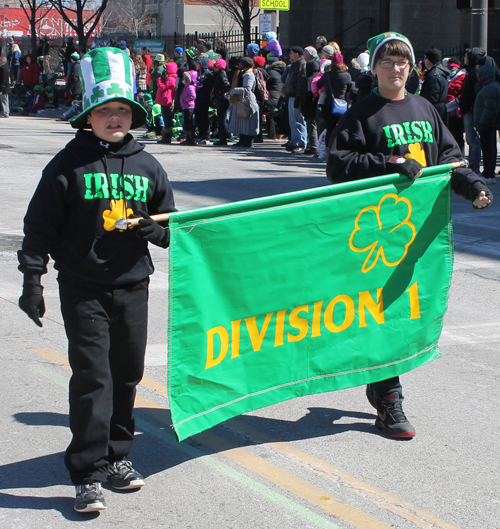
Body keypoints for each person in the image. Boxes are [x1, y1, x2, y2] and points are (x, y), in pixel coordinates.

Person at [17, 46, 176, 513]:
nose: (114, 118)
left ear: (134, 115)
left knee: (127, 374)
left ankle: (117, 457)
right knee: (93, 377)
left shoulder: (148, 165)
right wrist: (32, 280)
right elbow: (39, 227)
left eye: (122, 110)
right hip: (83, 285)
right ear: (87, 115)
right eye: (104, 110)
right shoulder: (67, 165)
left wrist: (156, 230)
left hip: (133, 285)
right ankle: (86, 472)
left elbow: (175, 230)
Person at [327, 32, 493, 439]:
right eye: (387, 61)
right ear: (375, 67)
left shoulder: (426, 109)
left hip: (422, 237)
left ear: (412, 67)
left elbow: (449, 159)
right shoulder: (362, 113)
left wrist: (472, 185)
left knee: (406, 315)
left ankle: (382, 383)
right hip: (378, 237)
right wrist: (390, 161)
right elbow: (338, 164)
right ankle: (389, 398)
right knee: (384, 313)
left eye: (403, 62)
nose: (396, 68)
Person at [316, 52, 351, 148]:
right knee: (341, 128)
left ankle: (328, 151)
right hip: (342, 104)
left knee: (330, 129)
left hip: (329, 105)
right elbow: (349, 89)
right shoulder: (347, 75)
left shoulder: (327, 75)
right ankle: (340, 148)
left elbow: (318, 85)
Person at [474, 63, 500, 184]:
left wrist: (483, 122)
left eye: (480, 75)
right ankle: (489, 172)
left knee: (488, 149)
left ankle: (488, 173)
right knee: (490, 148)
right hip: (488, 124)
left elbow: (490, 108)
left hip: (487, 124)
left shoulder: (490, 88)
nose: (479, 77)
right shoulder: (491, 86)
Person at [460, 48, 485, 173]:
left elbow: (475, 92)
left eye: (467, 56)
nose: (465, 58)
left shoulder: (475, 72)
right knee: (471, 138)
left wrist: (466, 102)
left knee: (472, 138)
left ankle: (474, 165)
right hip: (469, 108)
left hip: (471, 109)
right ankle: (473, 162)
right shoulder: (471, 71)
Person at [228, 56, 259, 148]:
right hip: (241, 100)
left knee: (247, 121)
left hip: (247, 101)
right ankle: (242, 140)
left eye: (240, 63)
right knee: (242, 121)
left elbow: (247, 89)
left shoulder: (248, 75)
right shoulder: (244, 73)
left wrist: (234, 91)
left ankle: (247, 141)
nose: (238, 65)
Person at [283, 46, 308, 153]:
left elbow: (301, 82)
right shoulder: (293, 65)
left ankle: (302, 143)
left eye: (292, 53)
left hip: (296, 96)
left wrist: (298, 96)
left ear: (297, 54)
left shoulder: (301, 64)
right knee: (292, 121)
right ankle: (295, 142)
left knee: (299, 121)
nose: (290, 55)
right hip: (290, 95)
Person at [420, 48, 449, 120]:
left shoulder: (434, 75)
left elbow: (432, 98)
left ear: (430, 59)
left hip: (434, 112)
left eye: (425, 58)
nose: (424, 60)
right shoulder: (439, 72)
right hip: (439, 110)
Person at [156, 61, 178, 144]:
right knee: (166, 118)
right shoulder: (170, 78)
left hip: (166, 100)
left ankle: (167, 137)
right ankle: (166, 136)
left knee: (167, 119)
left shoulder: (170, 79)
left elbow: (162, 87)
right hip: (165, 100)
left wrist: (158, 79)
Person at [195, 56, 214, 145]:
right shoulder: (198, 73)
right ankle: (201, 135)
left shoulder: (208, 74)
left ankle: (206, 137)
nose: (196, 65)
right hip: (198, 99)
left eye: (198, 63)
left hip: (204, 99)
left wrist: (199, 86)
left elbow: (208, 87)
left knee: (204, 117)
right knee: (198, 117)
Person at [211, 59, 231, 145]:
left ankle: (224, 138)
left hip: (222, 99)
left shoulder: (222, 73)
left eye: (215, 65)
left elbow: (226, 85)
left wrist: (220, 92)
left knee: (222, 119)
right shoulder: (217, 74)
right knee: (220, 119)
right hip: (220, 98)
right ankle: (223, 138)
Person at [179, 70, 198, 145]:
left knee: (189, 123)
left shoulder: (190, 87)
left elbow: (193, 96)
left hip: (189, 107)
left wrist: (184, 100)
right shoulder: (186, 86)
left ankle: (191, 139)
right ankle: (188, 138)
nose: (185, 79)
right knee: (186, 123)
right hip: (185, 107)